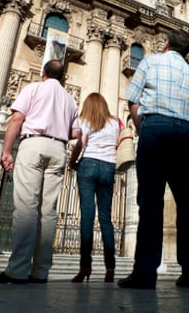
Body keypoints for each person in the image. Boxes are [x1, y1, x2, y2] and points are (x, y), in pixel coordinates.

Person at [118, 29, 189, 290]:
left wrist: (142, 127)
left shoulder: (150, 61)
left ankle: (145, 273)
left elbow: (132, 101)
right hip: (187, 136)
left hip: (155, 128)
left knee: (151, 202)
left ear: (166, 44)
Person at [0, 59, 81, 284]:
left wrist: (7, 150)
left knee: (26, 207)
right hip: (58, 149)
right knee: (48, 211)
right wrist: (56, 124)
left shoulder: (34, 88)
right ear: (62, 76)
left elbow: (17, 118)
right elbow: (75, 133)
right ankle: (40, 271)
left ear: (43, 73)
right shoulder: (69, 99)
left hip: (34, 144)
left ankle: (17, 270)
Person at [69, 93, 120, 283]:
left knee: (87, 218)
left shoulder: (86, 120)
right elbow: (116, 145)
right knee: (106, 219)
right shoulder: (115, 123)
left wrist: (72, 162)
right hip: (108, 167)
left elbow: (81, 144)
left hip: (88, 165)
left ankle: (85, 268)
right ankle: (110, 268)